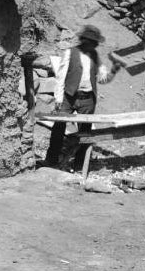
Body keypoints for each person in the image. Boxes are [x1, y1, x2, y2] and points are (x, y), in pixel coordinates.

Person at [45, 25, 120, 169]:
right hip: (69, 96)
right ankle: (51, 160)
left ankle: (79, 163)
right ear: (85, 40)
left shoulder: (95, 56)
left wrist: (113, 71)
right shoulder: (70, 53)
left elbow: (102, 79)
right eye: (93, 41)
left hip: (87, 99)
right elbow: (61, 77)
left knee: (85, 132)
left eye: (96, 42)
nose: (96, 45)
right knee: (58, 128)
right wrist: (59, 98)